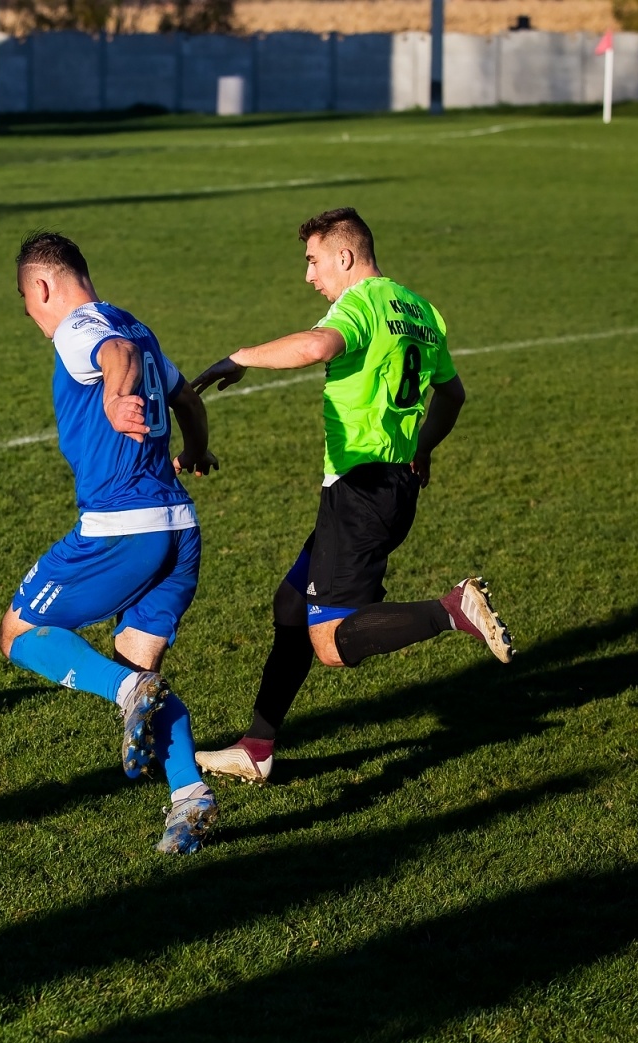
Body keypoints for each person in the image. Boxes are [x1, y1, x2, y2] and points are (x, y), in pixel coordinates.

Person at [189, 207, 513, 784]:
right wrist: (422, 448)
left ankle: (450, 610)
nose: (309, 276)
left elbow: (317, 346)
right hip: (390, 486)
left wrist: (239, 358)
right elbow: (453, 395)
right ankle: (257, 747)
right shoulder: (419, 309)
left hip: (359, 491)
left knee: (332, 643)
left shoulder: (361, 304)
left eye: (313, 261)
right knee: (291, 605)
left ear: (344, 256)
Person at [0, 232, 221, 854]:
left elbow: (114, 354)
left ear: (43, 286)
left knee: (18, 633)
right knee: (137, 667)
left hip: (123, 529)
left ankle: (127, 695)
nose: (35, 321)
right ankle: (190, 796)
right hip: (179, 529)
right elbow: (186, 399)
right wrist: (195, 450)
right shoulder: (137, 327)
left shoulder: (80, 329)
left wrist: (116, 397)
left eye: (29, 306)